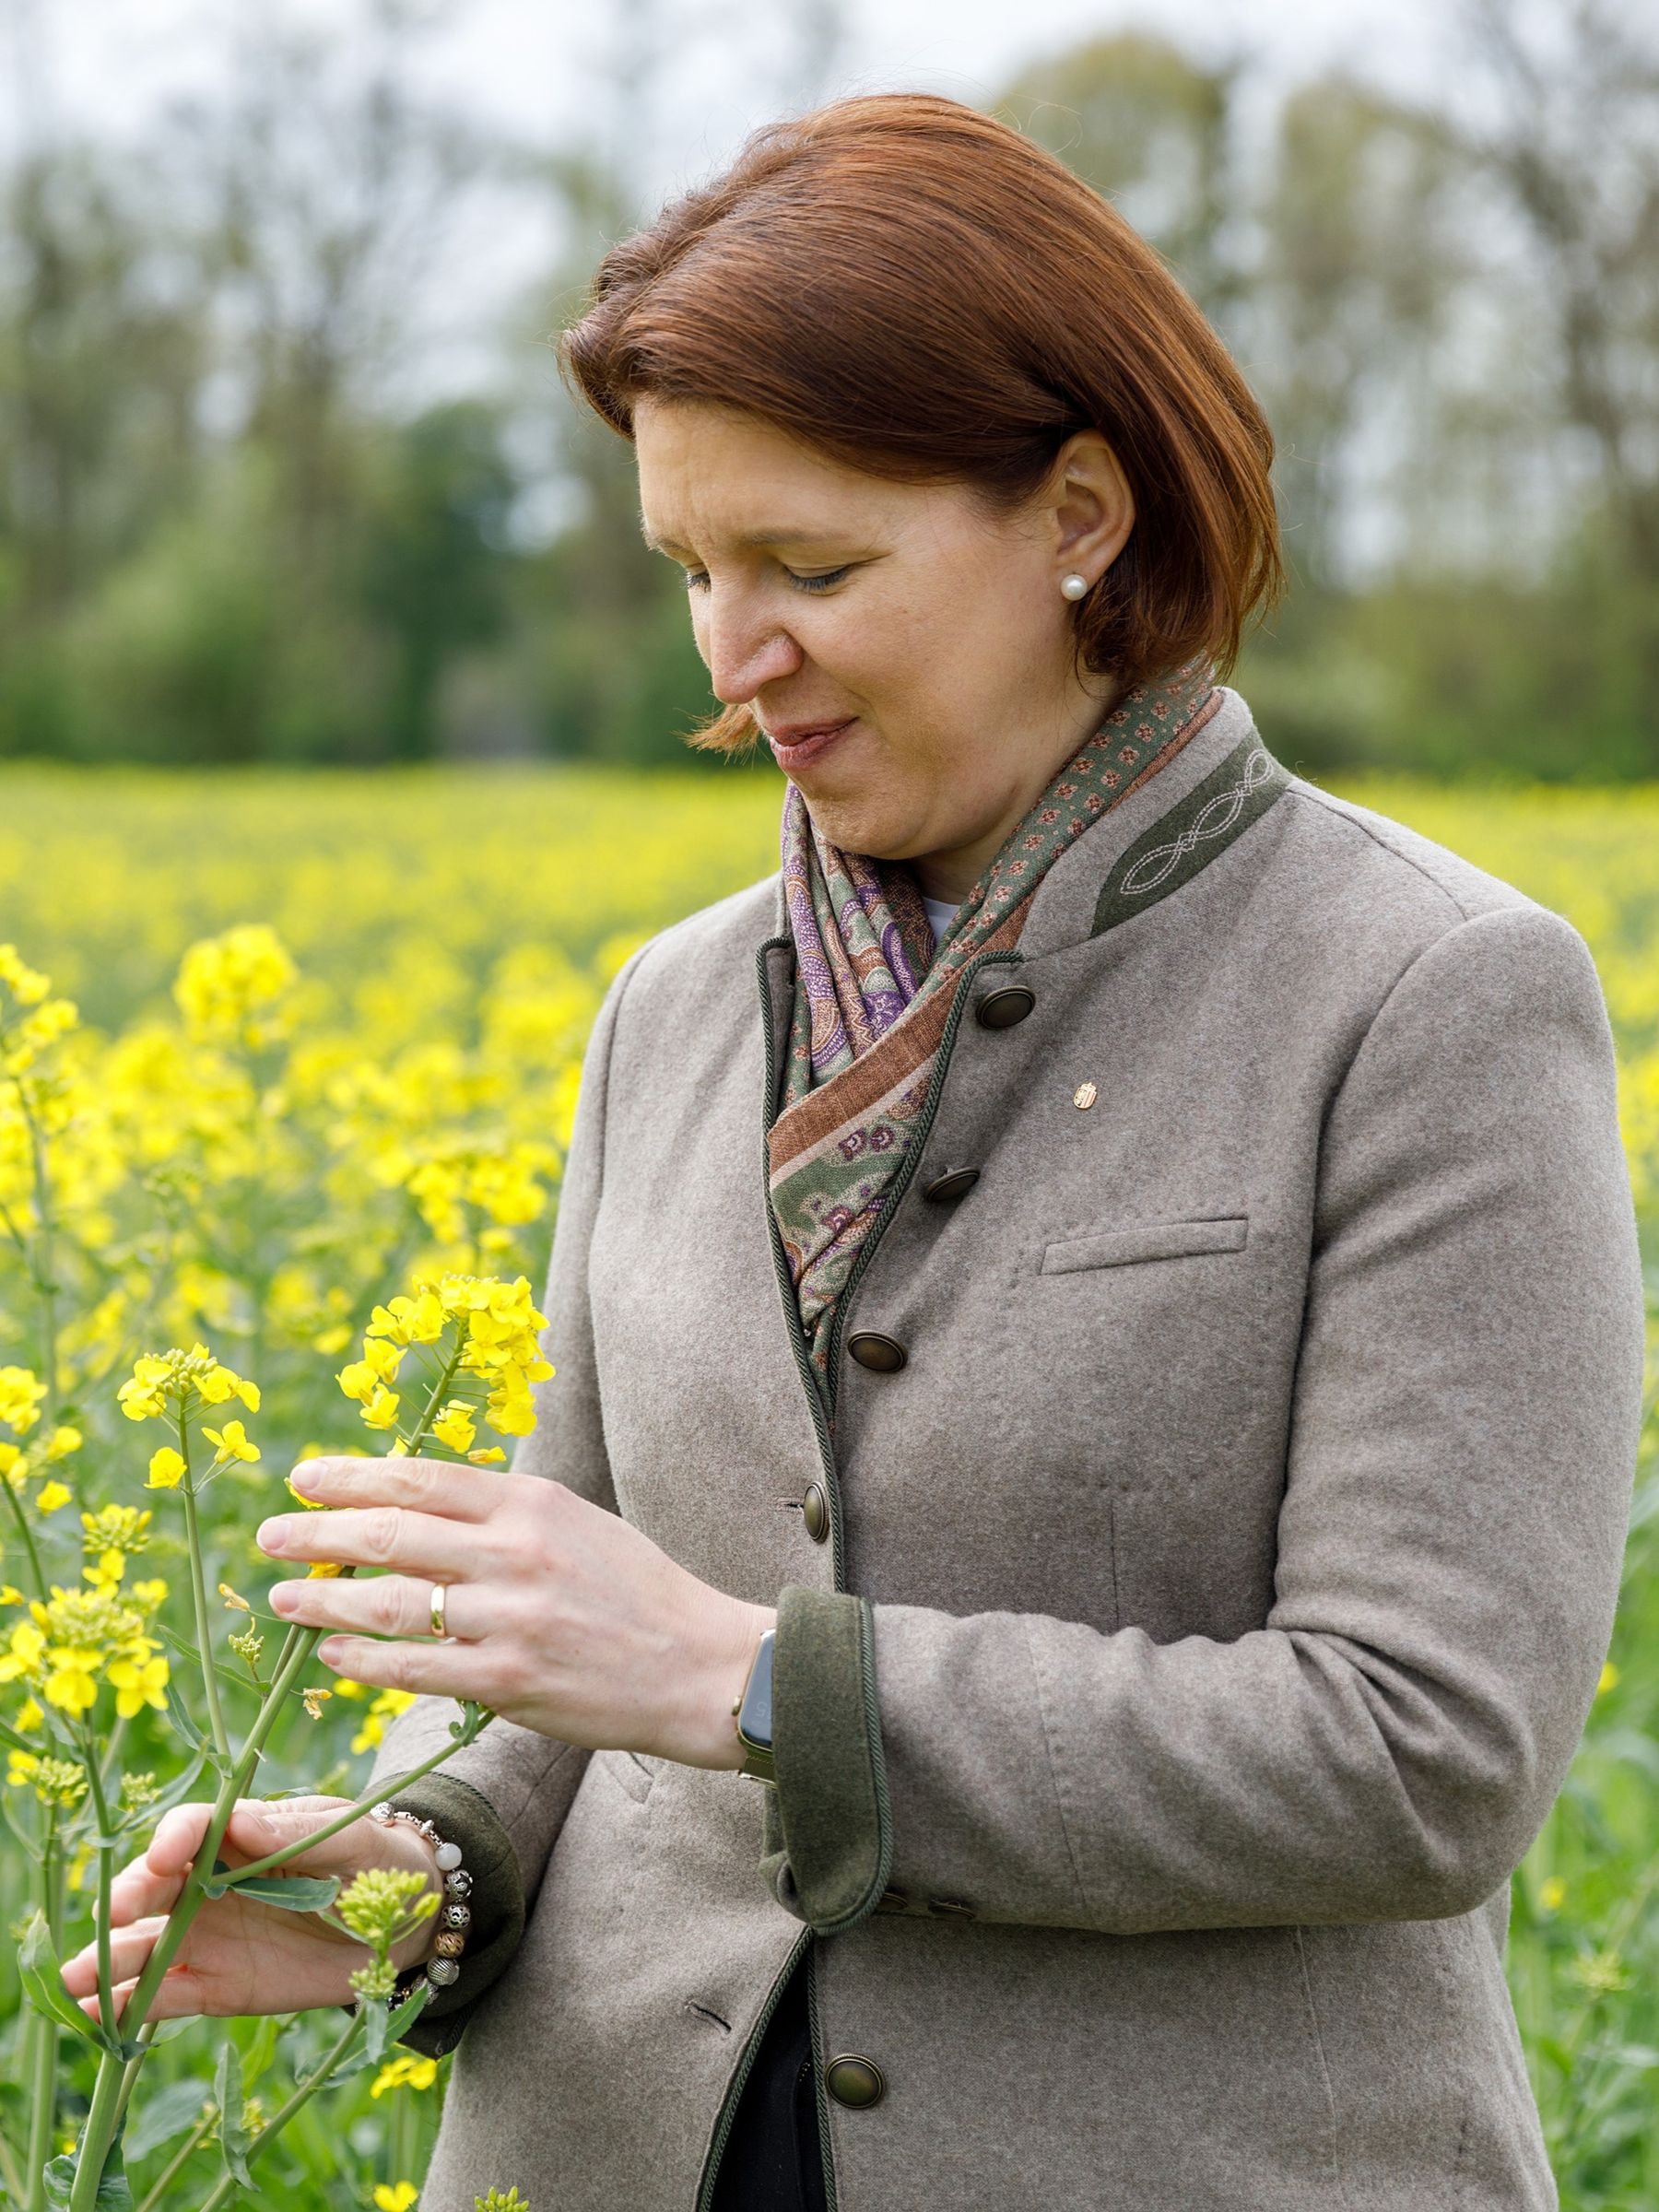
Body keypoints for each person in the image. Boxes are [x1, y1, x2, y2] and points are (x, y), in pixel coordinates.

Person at [65, 92, 1645, 2212]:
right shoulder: (675, 1006)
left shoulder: (1422, 997)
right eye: (693, 570)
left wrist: (738, 1680)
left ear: (1081, 510)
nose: (733, 655)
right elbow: (578, 1600)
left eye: (812, 565)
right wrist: (413, 1868)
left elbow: (1415, 1755)